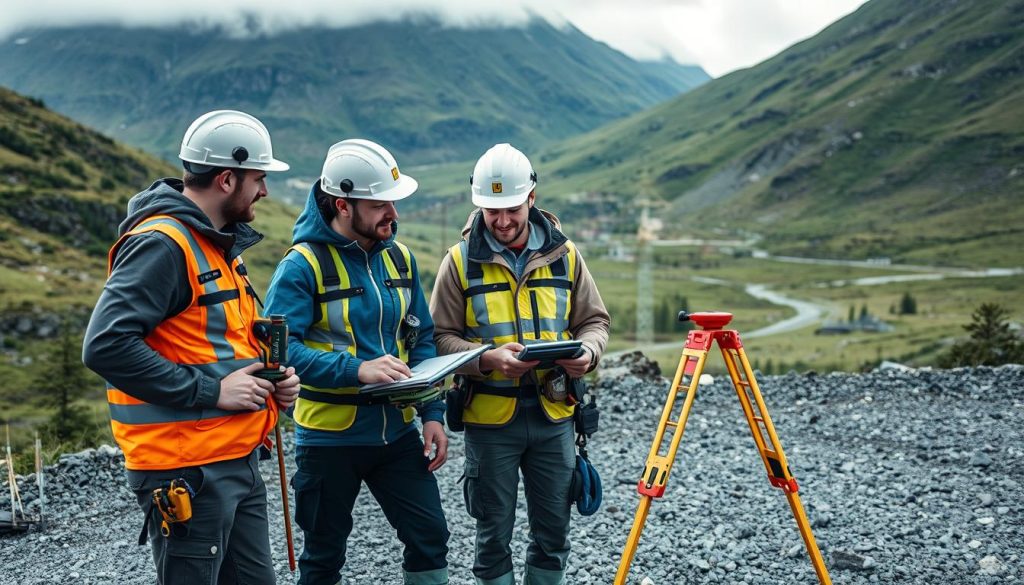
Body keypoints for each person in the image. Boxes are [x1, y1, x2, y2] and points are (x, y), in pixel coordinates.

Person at [82, 109, 301, 584]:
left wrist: (272, 381)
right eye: (259, 178)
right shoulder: (164, 244)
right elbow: (105, 345)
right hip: (188, 470)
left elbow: (215, 344)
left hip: (235, 456)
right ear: (227, 179)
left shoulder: (215, 245)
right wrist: (213, 391)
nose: (264, 190)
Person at [263, 139, 450, 585]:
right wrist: (355, 369)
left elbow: (420, 336)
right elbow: (276, 348)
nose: (394, 214)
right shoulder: (300, 265)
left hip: (397, 433)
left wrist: (432, 413)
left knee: (430, 536)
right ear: (343, 205)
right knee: (324, 555)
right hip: (328, 440)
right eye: (381, 203)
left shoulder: (400, 258)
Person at [429, 143, 610, 585]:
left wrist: (588, 353)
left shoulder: (566, 256)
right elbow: (437, 339)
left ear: (531, 198)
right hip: (490, 422)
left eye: (511, 208)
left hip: (556, 418)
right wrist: (486, 359)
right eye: (492, 212)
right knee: (492, 535)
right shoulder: (458, 262)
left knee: (554, 533)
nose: (503, 221)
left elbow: (594, 321)